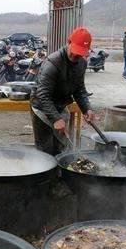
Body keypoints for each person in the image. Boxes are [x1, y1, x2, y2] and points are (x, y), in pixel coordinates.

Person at [30, 27, 95, 156]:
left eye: (81, 52)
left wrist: (87, 108)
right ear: (69, 42)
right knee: (45, 150)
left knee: (61, 147)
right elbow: (43, 96)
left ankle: (60, 174)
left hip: (59, 106)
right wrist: (55, 119)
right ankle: (45, 175)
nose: (76, 55)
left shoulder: (81, 63)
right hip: (42, 107)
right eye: (75, 50)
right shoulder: (52, 63)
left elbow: (79, 89)